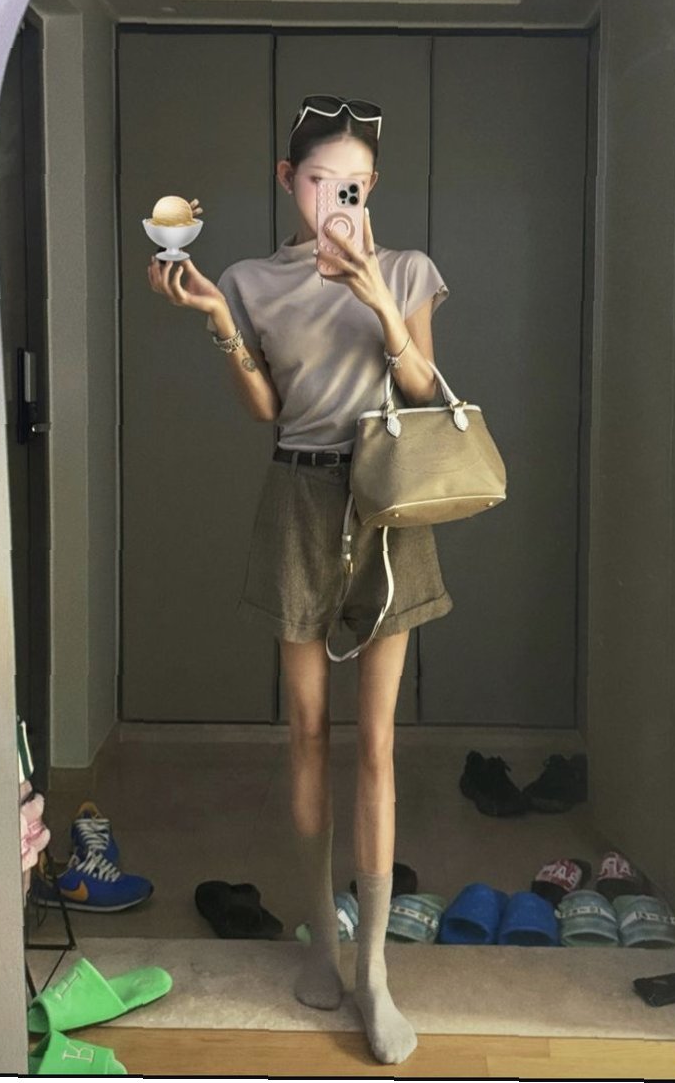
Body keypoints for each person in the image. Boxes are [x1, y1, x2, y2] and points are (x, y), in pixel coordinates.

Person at [146, 94, 454, 1065]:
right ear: (288, 179)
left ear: (373, 188)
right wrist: (216, 319)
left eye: (355, 184)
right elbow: (267, 407)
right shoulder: (248, 279)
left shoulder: (406, 269)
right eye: (320, 180)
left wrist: (374, 295)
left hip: (387, 503)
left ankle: (374, 966)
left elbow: (423, 390)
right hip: (298, 497)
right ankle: (321, 936)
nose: (337, 199)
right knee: (308, 733)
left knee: (378, 743)